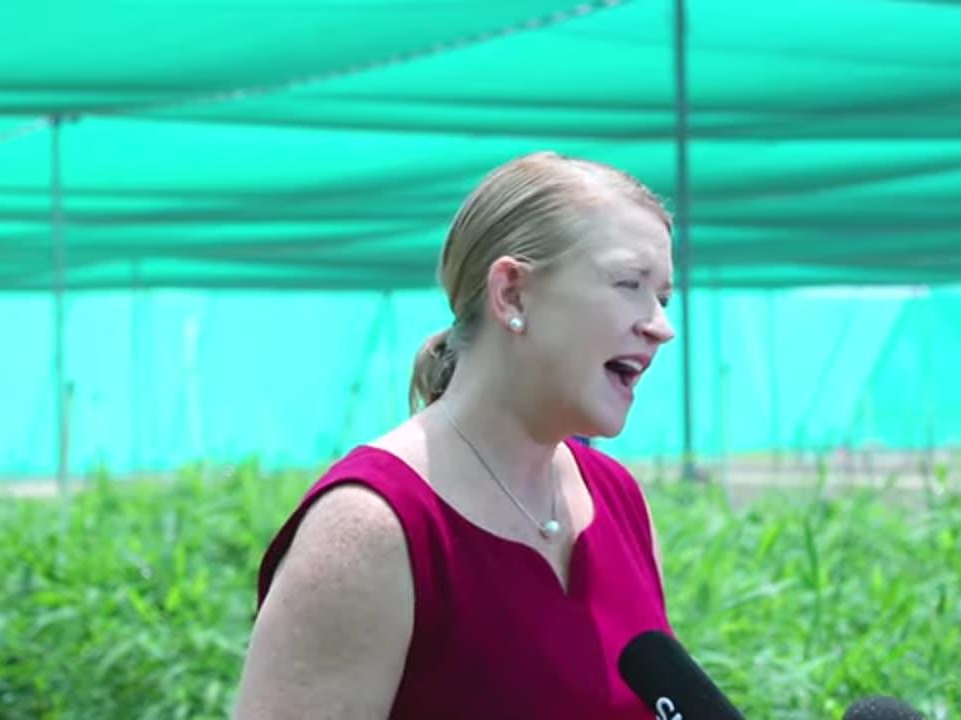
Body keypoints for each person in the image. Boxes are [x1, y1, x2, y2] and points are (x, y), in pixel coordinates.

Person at [232, 151, 678, 719]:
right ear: (512, 293)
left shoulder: (618, 502)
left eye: (662, 297)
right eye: (628, 284)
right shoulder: (372, 528)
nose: (660, 326)